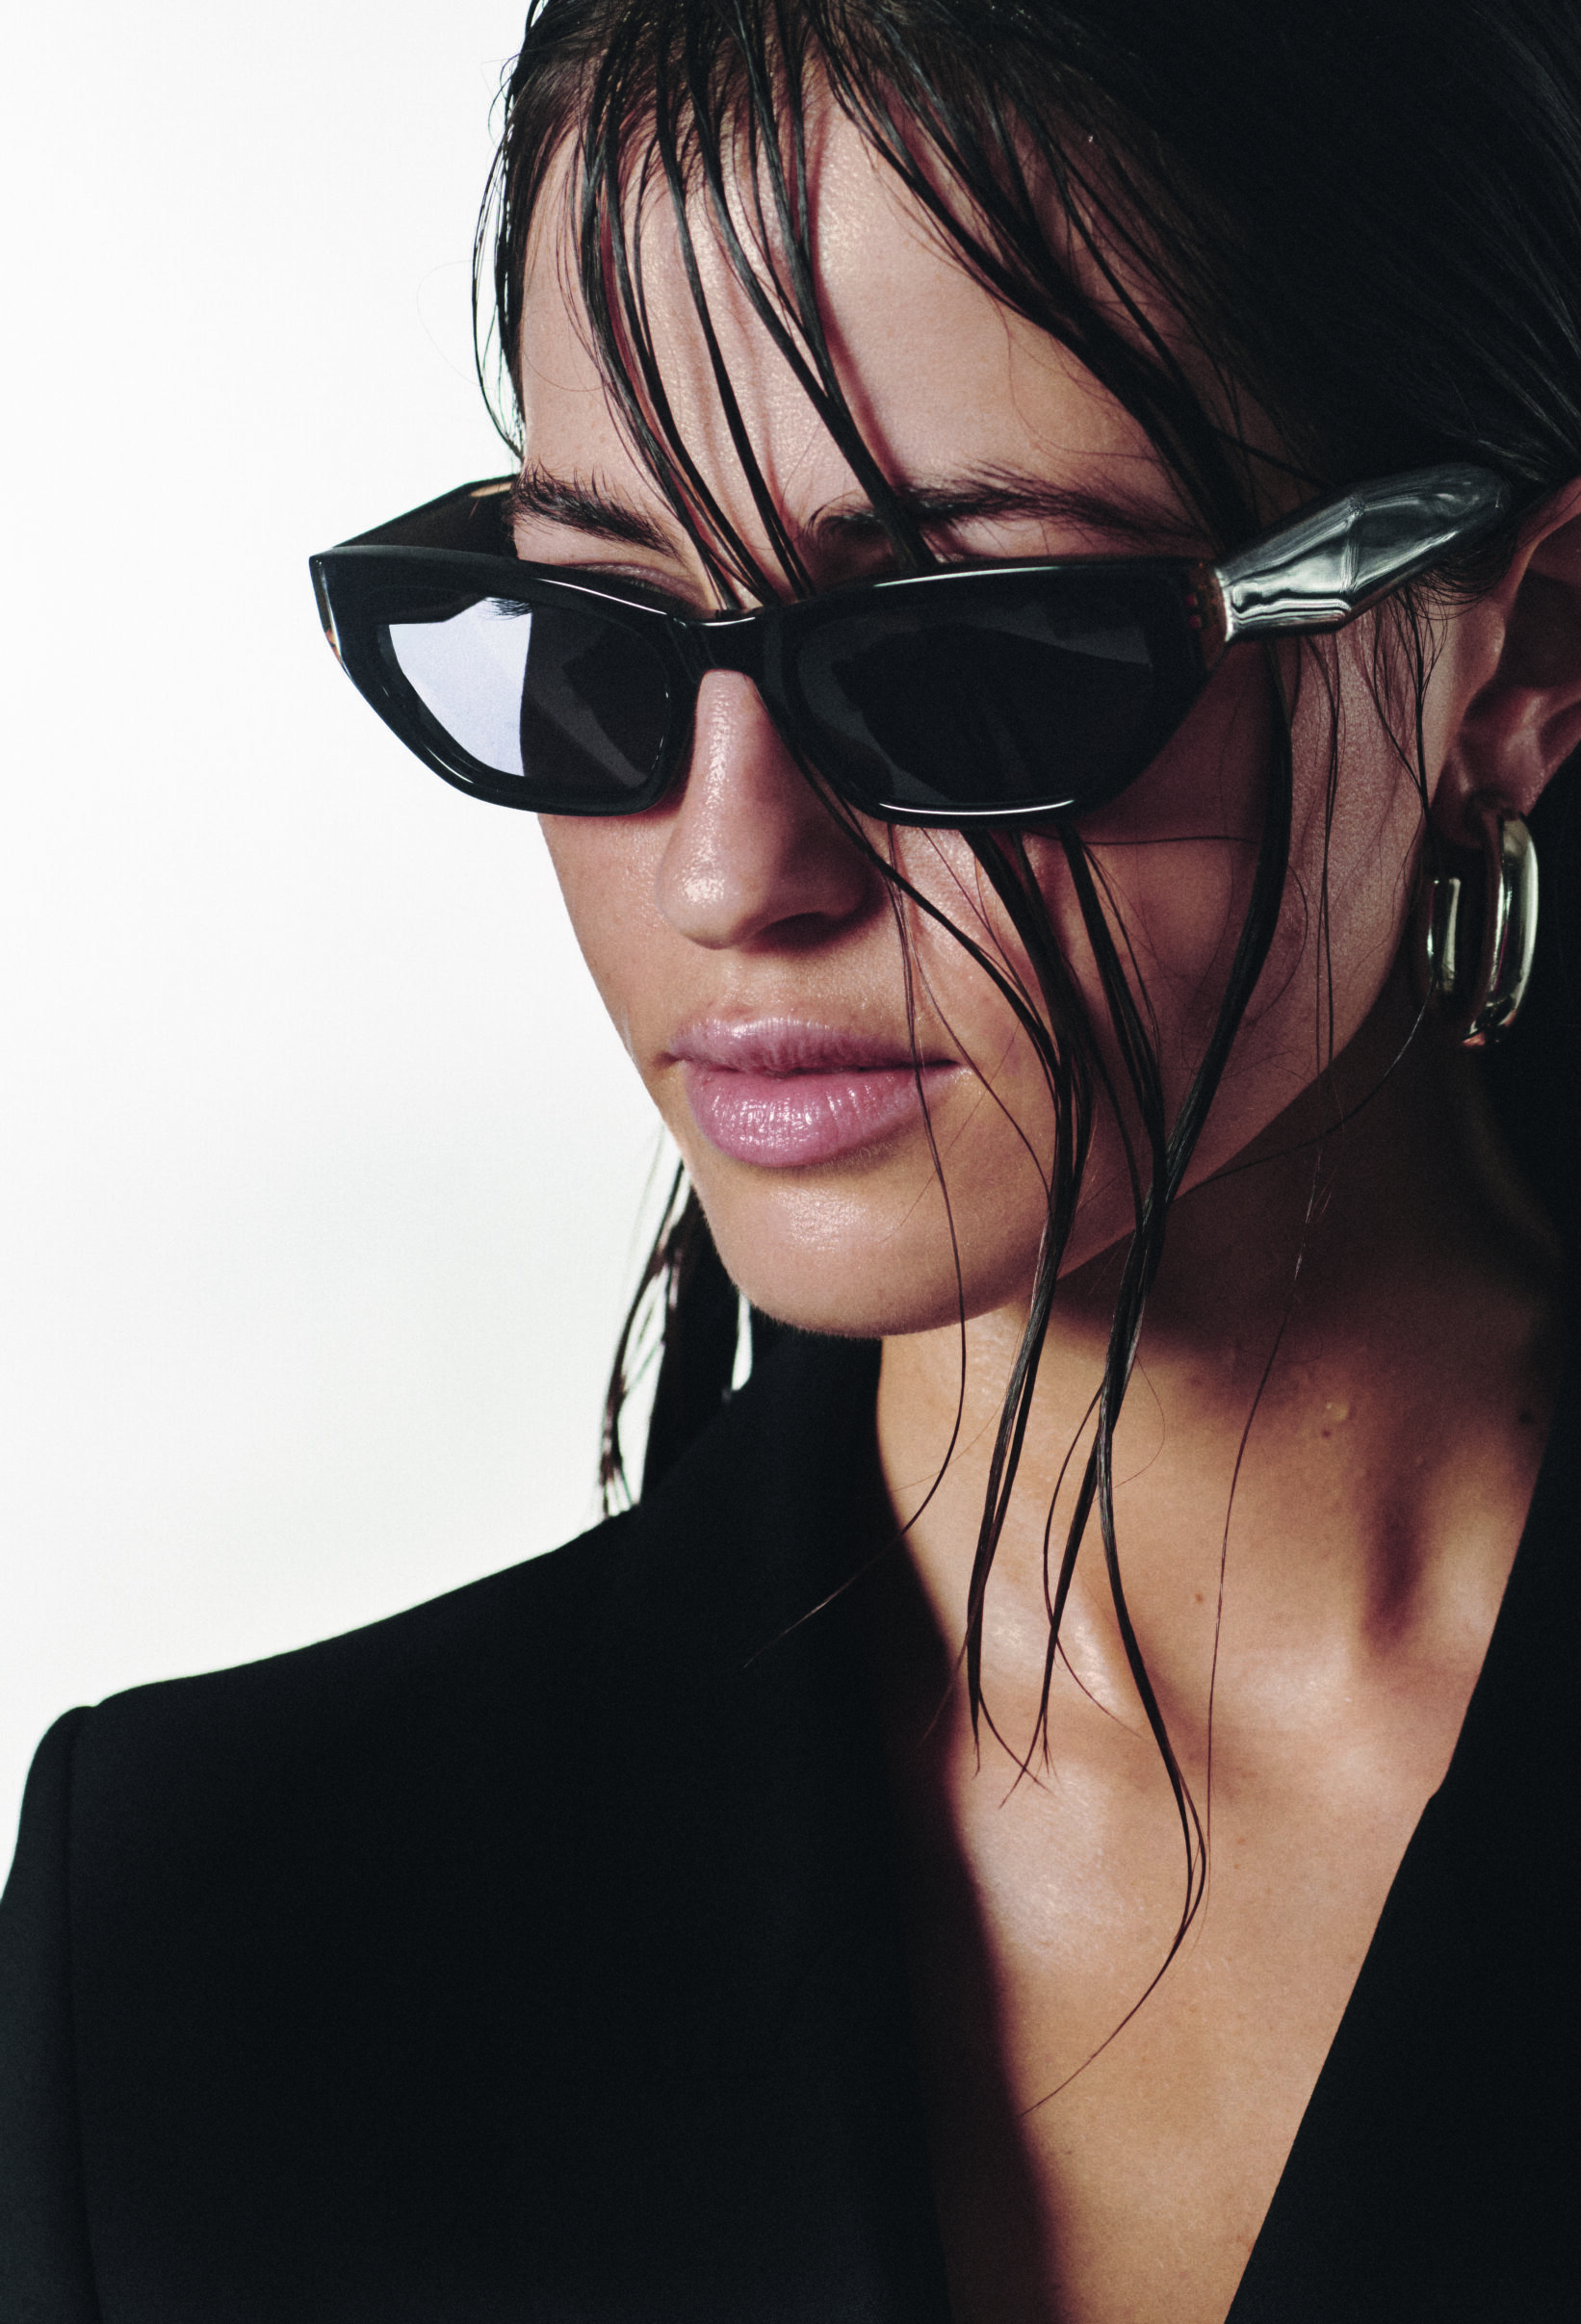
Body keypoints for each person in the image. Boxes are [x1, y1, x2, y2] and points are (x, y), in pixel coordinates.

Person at [4, 1, 1580, 2317]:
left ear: (1514, 656)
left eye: (974, 656)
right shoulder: (194, 1960)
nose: (728, 871)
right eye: (595, 639)